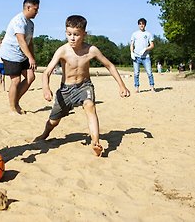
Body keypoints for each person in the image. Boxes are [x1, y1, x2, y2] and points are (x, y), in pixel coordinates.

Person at [33, 15, 130, 156]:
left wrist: (122, 85)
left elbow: (110, 65)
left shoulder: (92, 50)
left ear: (84, 34)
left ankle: (96, 143)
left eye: (76, 35)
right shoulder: (62, 51)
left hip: (84, 85)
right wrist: (46, 88)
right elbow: (46, 72)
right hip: (66, 89)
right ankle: (44, 134)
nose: (72, 38)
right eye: (69, 34)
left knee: (90, 105)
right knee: (53, 121)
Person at [0, 0, 40, 114]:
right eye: (35, 9)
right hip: (10, 54)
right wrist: (30, 57)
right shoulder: (19, 21)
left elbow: (29, 42)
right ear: (28, 7)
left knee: (31, 77)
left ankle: (15, 101)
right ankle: (13, 107)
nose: (37, 12)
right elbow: (21, 41)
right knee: (16, 80)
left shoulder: (31, 24)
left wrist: (33, 57)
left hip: (22, 55)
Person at [130, 18, 155, 93]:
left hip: (145, 57)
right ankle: (137, 88)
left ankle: (152, 87)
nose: (141, 25)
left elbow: (152, 45)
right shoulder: (134, 34)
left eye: (143, 24)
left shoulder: (148, 34)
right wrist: (131, 52)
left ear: (145, 25)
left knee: (149, 72)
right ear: (138, 25)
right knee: (136, 73)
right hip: (136, 56)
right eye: (140, 24)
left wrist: (145, 49)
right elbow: (131, 44)